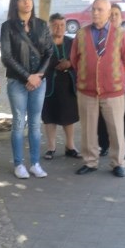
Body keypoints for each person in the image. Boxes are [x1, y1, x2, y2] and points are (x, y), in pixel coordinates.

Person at [70, 0, 125, 178]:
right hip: (87, 90)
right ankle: (90, 161)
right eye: (94, 9)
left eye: (100, 10)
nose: (95, 13)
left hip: (113, 92)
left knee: (116, 129)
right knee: (88, 129)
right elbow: (74, 60)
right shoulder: (81, 34)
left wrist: (113, 75)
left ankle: (118, 163)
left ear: (108, 13)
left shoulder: (120, 34)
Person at [0, 0, 52, 179]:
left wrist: (38, 76)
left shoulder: (42, 25)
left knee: (35, 123)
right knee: (19, 123)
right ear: (15, 3)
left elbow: (49, 52)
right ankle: (19, 164)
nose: (27, 2)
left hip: (39, 82)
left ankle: (35, 163)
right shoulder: (8, 27)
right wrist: (27, 77)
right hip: (17, 82)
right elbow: (6, 57)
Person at [41, 13, 80, 160]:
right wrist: (55, 64)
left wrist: (69, 63)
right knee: (49, 117)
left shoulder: (72, 42)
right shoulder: (44, 42)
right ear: (50, 26)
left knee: (68, 117)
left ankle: (70, 146)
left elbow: (79, 59)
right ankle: (51, 147)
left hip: (68, 84)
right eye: (56, 25)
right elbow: (39, 61)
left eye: (62, 25)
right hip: (49, 84)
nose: (59, 28)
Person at [98, 4, 125, 157]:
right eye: (110, 14)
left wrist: (116, 75)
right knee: (102, 118)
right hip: (103, 87)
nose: (113, 17)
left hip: (123, 86)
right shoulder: (99, 35)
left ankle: (123, 146)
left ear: (122, 18)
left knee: (122, 118)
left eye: (116, 14)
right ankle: (104, 145)